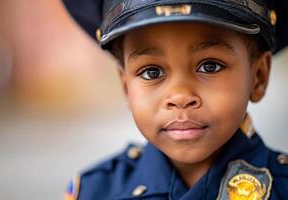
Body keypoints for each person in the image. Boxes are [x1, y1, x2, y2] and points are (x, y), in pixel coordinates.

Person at [62, 0, 288, 199]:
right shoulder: (95, 192)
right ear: (126, 87)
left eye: (210, 66)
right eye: (152, 72)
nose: (180, 96)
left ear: (258, 77)